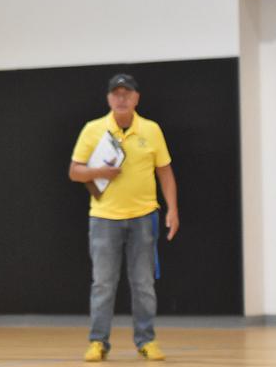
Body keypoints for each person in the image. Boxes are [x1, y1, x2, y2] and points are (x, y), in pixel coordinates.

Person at [68, 74, 180, 362]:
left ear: (136, 98)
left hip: (144, 217)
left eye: (126, 93)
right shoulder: (93, 129)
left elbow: (165, 171)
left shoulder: (151, 130)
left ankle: (146, 340)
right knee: (103, 283)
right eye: (116, 94)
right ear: (108, 98)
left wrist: (172, 209)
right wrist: (99, 173)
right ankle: (98, 342)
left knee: (143, 283)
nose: (121, 98)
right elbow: (74, 171)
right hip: (104, 219)